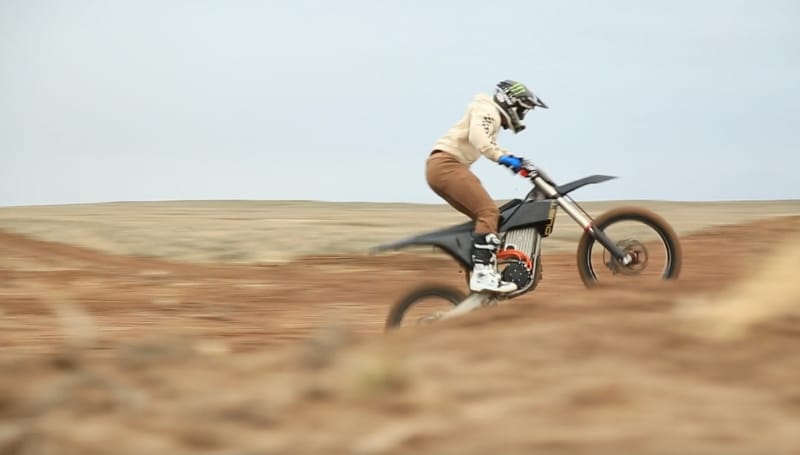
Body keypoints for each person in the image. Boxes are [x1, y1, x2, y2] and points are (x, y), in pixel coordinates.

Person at [426, 80, 548, 293]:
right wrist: (504, 159)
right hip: (447, 166)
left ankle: (479, 273)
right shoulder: (486, 110)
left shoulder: (489, 115)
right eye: (522, 109)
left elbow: (491, 143)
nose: (522, 115)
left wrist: (514, 159)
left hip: (443, 167)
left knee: (489, 221)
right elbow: (479, 139)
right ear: (510, 102)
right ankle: (482, 276)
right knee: (488, 212)